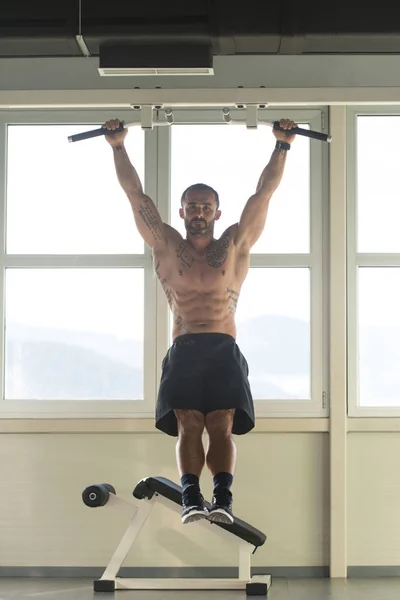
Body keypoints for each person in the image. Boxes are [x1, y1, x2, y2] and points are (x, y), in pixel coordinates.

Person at [103, 117, 296, 525]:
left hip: (223, 347)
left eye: (206, 206)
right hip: (185, 347)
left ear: (217, 211)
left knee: (222, 424)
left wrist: (282, 145)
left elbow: (264, 194)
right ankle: (192, 499)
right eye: (192, 206)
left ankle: (222, 500)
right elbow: (135, 194)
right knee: (189, 424)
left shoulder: (235, 243)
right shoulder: (166, 244)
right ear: (182, 210)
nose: (199, 212)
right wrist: (118, 145)